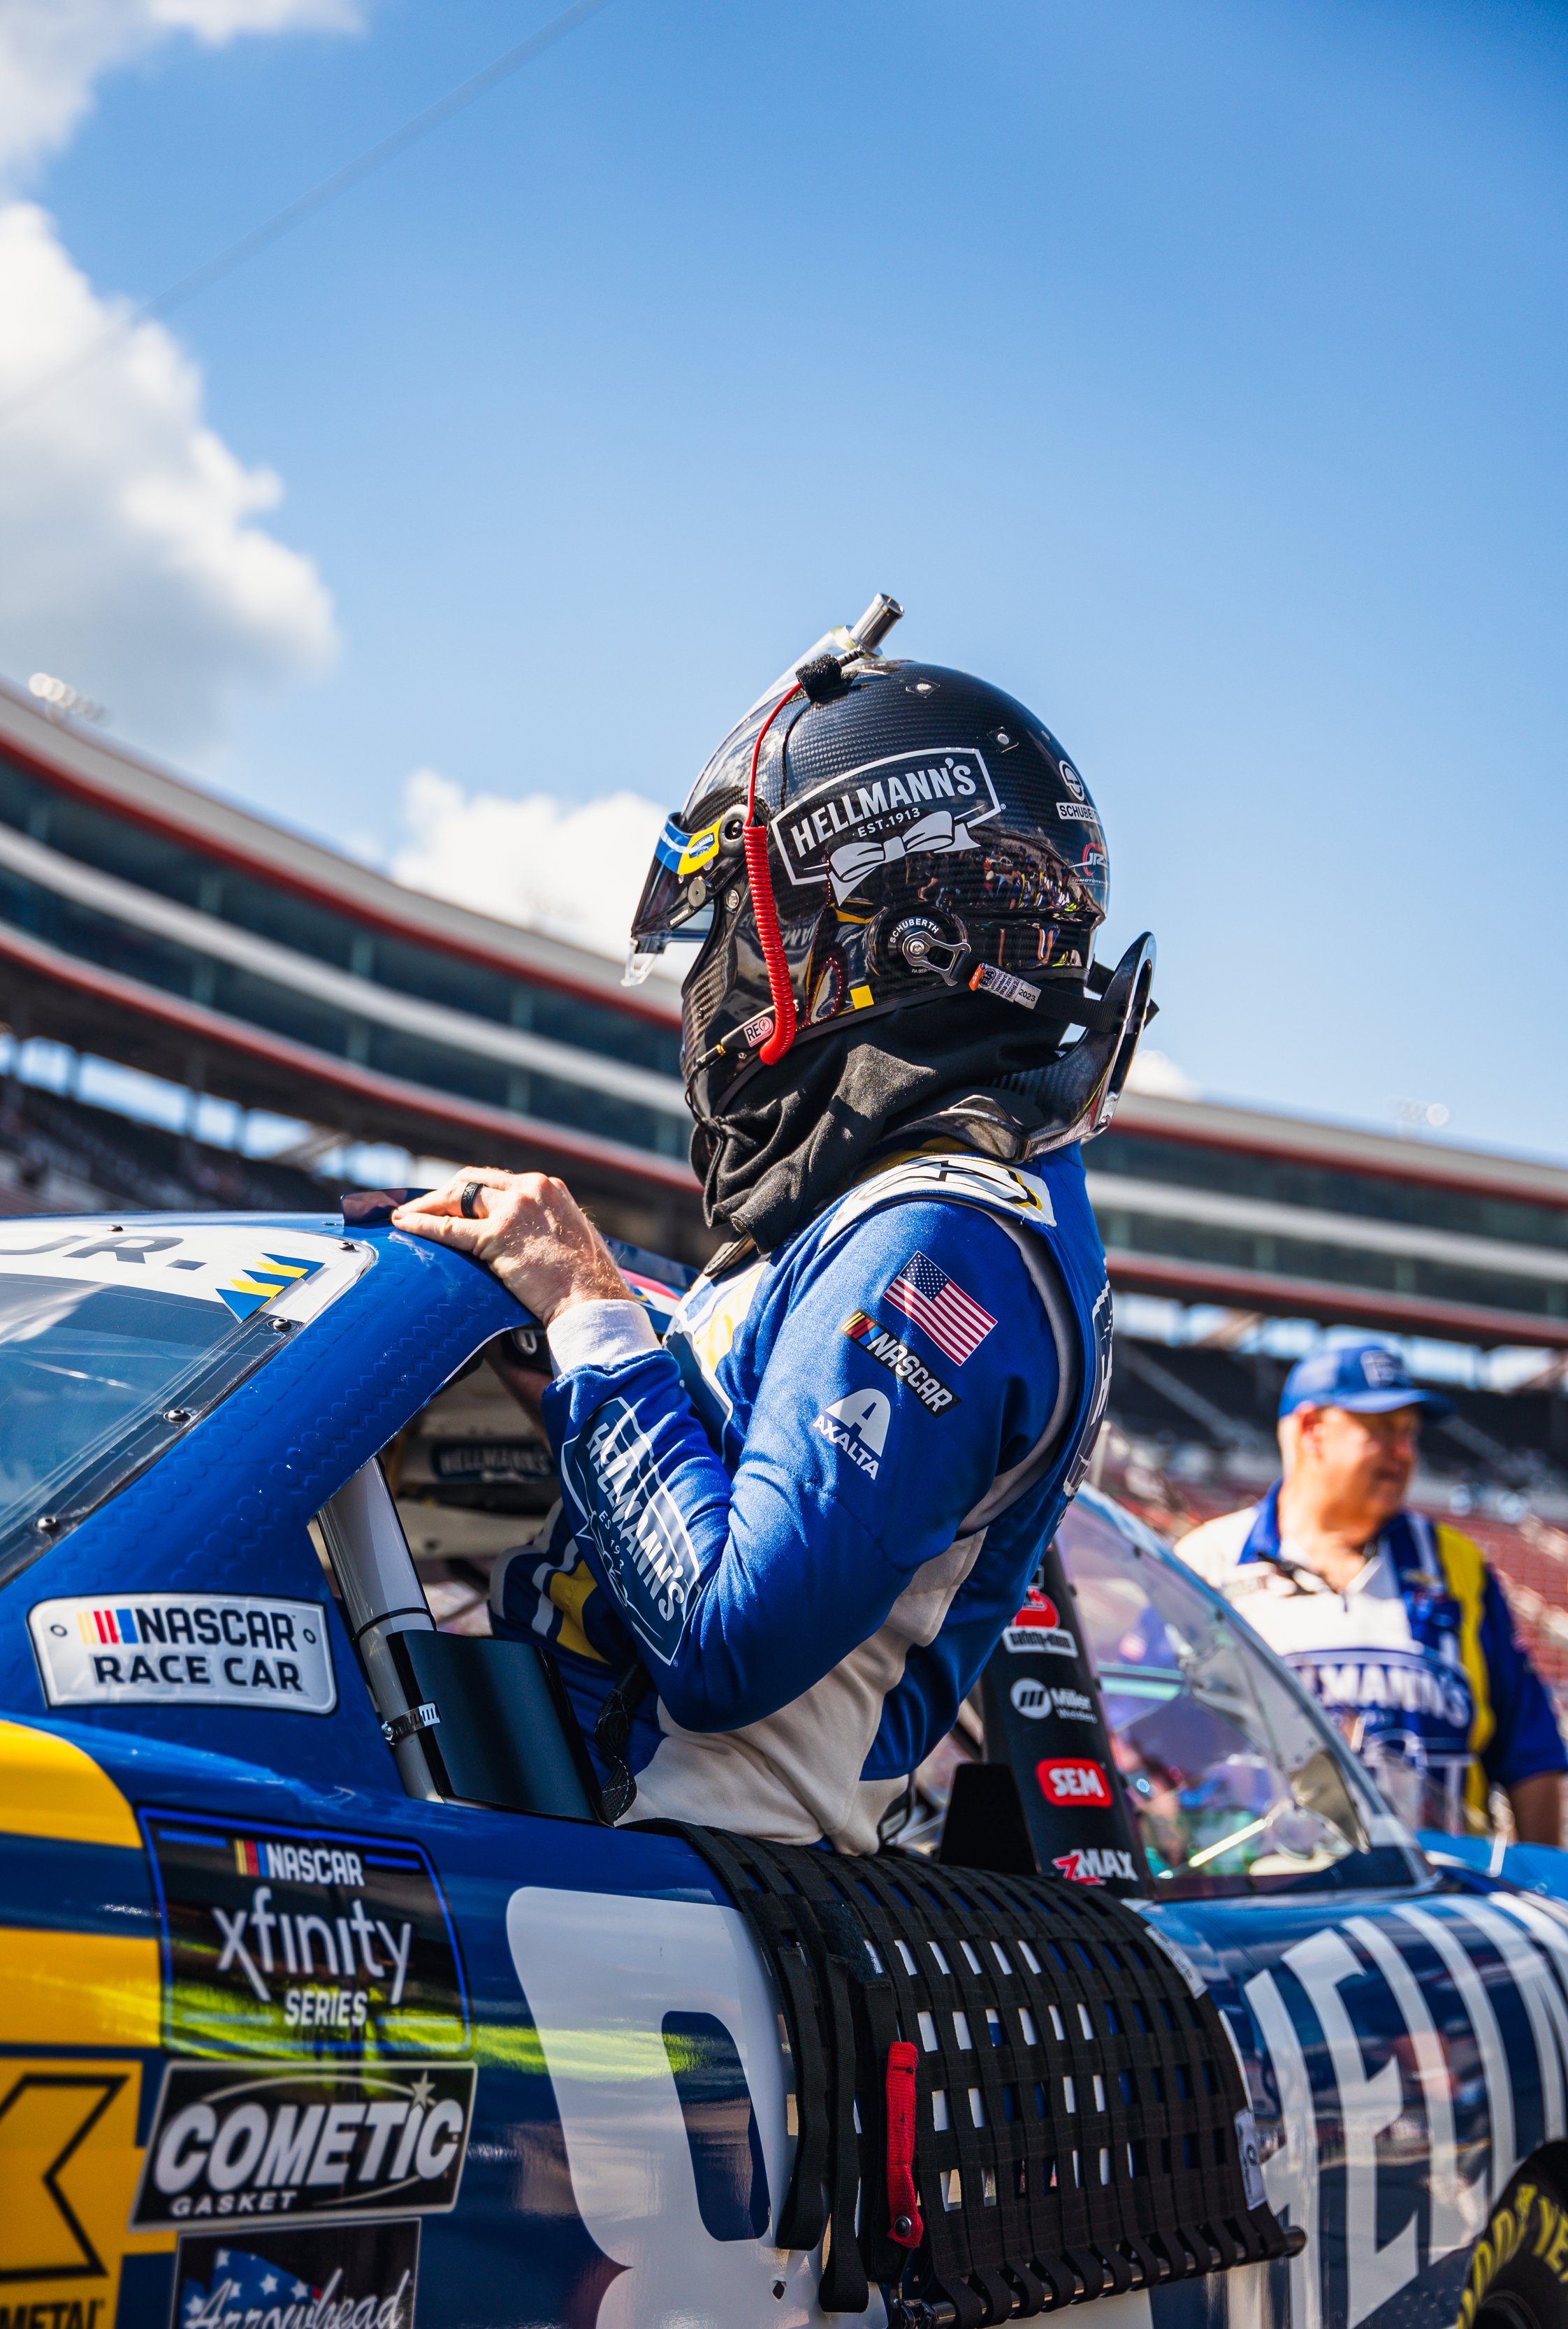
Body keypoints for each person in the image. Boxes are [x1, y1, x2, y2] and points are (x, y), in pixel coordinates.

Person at [393, 600, 1153, 1848]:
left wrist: (588, 1309)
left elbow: (723, 1642)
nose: (716, 988)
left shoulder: (943, 1236)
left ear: (894, 940)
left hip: (678, 1887)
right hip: (622, 1857)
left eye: (744, 937)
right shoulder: (906, 1201)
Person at [1175, 1342, 1566, 1844]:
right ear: (1312, 1430)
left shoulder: (1458, 1566)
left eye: (1409, 1433)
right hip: (1262, 1879)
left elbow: (1530, 1752)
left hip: (1441, 1883)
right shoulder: (1207, 1561)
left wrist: (1542, 1876)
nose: (1404, 1452)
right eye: (1381, 1431)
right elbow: (1156, 1739)